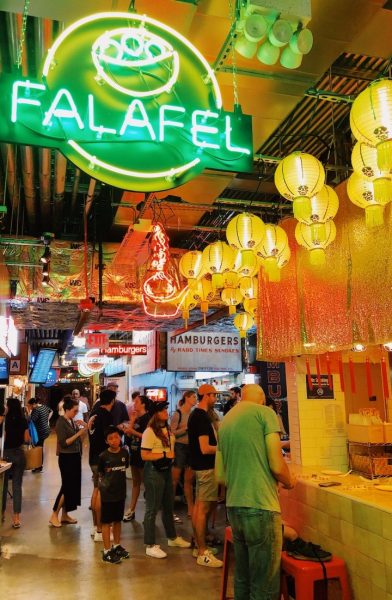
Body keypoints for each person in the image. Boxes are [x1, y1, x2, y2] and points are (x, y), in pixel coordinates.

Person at [217, 383, 296, 600]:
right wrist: (289, 481)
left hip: (234, 507)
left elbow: (220, 476)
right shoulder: (265, 413)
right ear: (261, 398)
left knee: (243, 577)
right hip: (261, 507)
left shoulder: (226, 421)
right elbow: (277, 464)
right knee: (265, 582)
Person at [141, 401, 191, 559]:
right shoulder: (149, 431)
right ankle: (150, 544)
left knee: (169, 506)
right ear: (156, 413)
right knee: (152, 509)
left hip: (166, 470)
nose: (166, 412)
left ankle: (172, 537)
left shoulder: (167, 429)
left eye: (166, 409)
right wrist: (164, 455)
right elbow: (144, 455)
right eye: (163, 410)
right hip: (154, 472)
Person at [188, 384, 223, 568]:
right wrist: (224, 449)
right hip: (206, 469)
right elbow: (205, 448)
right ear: (206, 396)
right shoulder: (200, 418)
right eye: (214, 395)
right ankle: (202, 552)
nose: (215, 398)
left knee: (199, 508)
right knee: (202, 509)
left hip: (201, 468)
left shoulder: (199, 415)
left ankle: (198, 546)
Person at [49, 396, 90, 528]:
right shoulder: (61, 422)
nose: (76, 413)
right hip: (66, 458)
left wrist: (84, 429)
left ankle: (65, 515)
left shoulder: (72, 421)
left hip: (75, 456)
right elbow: (63, 443)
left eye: (77, 410)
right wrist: (79, 433)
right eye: (74, 410)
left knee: (72, 487)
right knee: (66, 487)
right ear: (66, 409)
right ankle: (54, 514)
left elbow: (80, 440)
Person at [97, 425, 130, 564]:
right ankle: (106, 551)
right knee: (106, 522)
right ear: (106, 441)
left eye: (116, 437)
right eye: (110, 438)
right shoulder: (103, 456)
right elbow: (100, 474)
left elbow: (125, 468)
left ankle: (116, 546)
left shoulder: (124, 454)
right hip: (108, 495)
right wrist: (101, 490)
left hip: (120, 493)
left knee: (118, 520)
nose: (114, 440)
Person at [88, 388, 116, 542]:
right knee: (102, 494)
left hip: (92, 457)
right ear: (112, 401)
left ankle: (95, 527)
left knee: (96, 490)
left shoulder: (94, 413)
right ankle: (100, 529)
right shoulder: (107, 416)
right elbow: (110, 438)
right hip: (103, 459)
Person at [1, 397, 30, 528]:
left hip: (6, 455)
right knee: (17, 486)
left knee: (4, 486)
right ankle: (17, 518)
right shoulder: (23, 420)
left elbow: (4, 438)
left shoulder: (5, 421)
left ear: (9, 407)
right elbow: (27, 438)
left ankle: (1, 514)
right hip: (19, 454)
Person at [123, 394, 150, 522]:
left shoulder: (148, 419)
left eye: (137, 402)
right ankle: (131, 509)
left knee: (147, 484)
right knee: (135, 483)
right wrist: (132, 420)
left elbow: (147, 437)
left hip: (143, 455)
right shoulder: (137, 418)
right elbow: (128, 436)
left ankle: (149, 513)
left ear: (143, 404)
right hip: (134, 454)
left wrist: (132, 431)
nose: (135, 403)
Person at [170, 390, 197, 519]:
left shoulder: (193, 414)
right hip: (180, 447)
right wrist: (186, 428)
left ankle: (191, 508)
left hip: (190, 447)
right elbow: (172, 433)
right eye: (193, 397)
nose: (195, 399)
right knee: (174, 480)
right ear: (186, 398)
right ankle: (169, 509)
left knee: (189, 481)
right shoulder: (178, 413)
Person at [27, 398, 52, 472]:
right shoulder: (44, 407)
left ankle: (38, 466)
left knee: (39, 448)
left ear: (34, 404)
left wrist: (28, 412)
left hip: (40, 432)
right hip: (46, 430)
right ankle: (39, 466)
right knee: (40, 447)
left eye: (30, 406)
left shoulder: (36, 410)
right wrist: (47, 419)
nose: (30, 407)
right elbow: (51, 411)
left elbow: (31, 420)